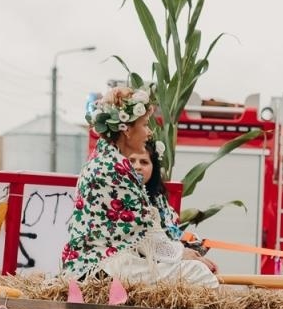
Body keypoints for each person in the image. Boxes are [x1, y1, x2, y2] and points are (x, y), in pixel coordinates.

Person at [61, 83, 217, 284]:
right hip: (102, 267)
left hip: (101, 264)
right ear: (126, 129)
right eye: (144, 124)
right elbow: (146, 234)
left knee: (191, 269)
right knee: (198, 274)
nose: (149, 132)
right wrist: (182, 254)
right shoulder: (113, 168)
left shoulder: (105, 160)